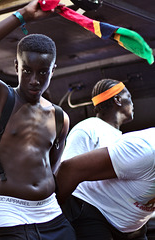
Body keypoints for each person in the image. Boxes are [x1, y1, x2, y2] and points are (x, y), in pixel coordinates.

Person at [0, 0, 75, 239]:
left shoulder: (60, 117)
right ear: (16, 66)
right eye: (27, 70)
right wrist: (21, 16)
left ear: (53, 70)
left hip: (51, 211)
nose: (34, 80)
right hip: (10, 212)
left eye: (43, 72)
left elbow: (51, 166)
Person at [60, 79, 135, 239]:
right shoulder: (89, 127)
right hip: (91, 214)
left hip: (116, 218)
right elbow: (67, 170)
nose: (132, 102)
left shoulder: (119, 136)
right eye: (128, 96)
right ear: (117, 99)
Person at [56, 127, 155, 240]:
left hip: (132, 226)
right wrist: (48, 218)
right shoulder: (145, 150)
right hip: (93, 208)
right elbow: (70, 169)